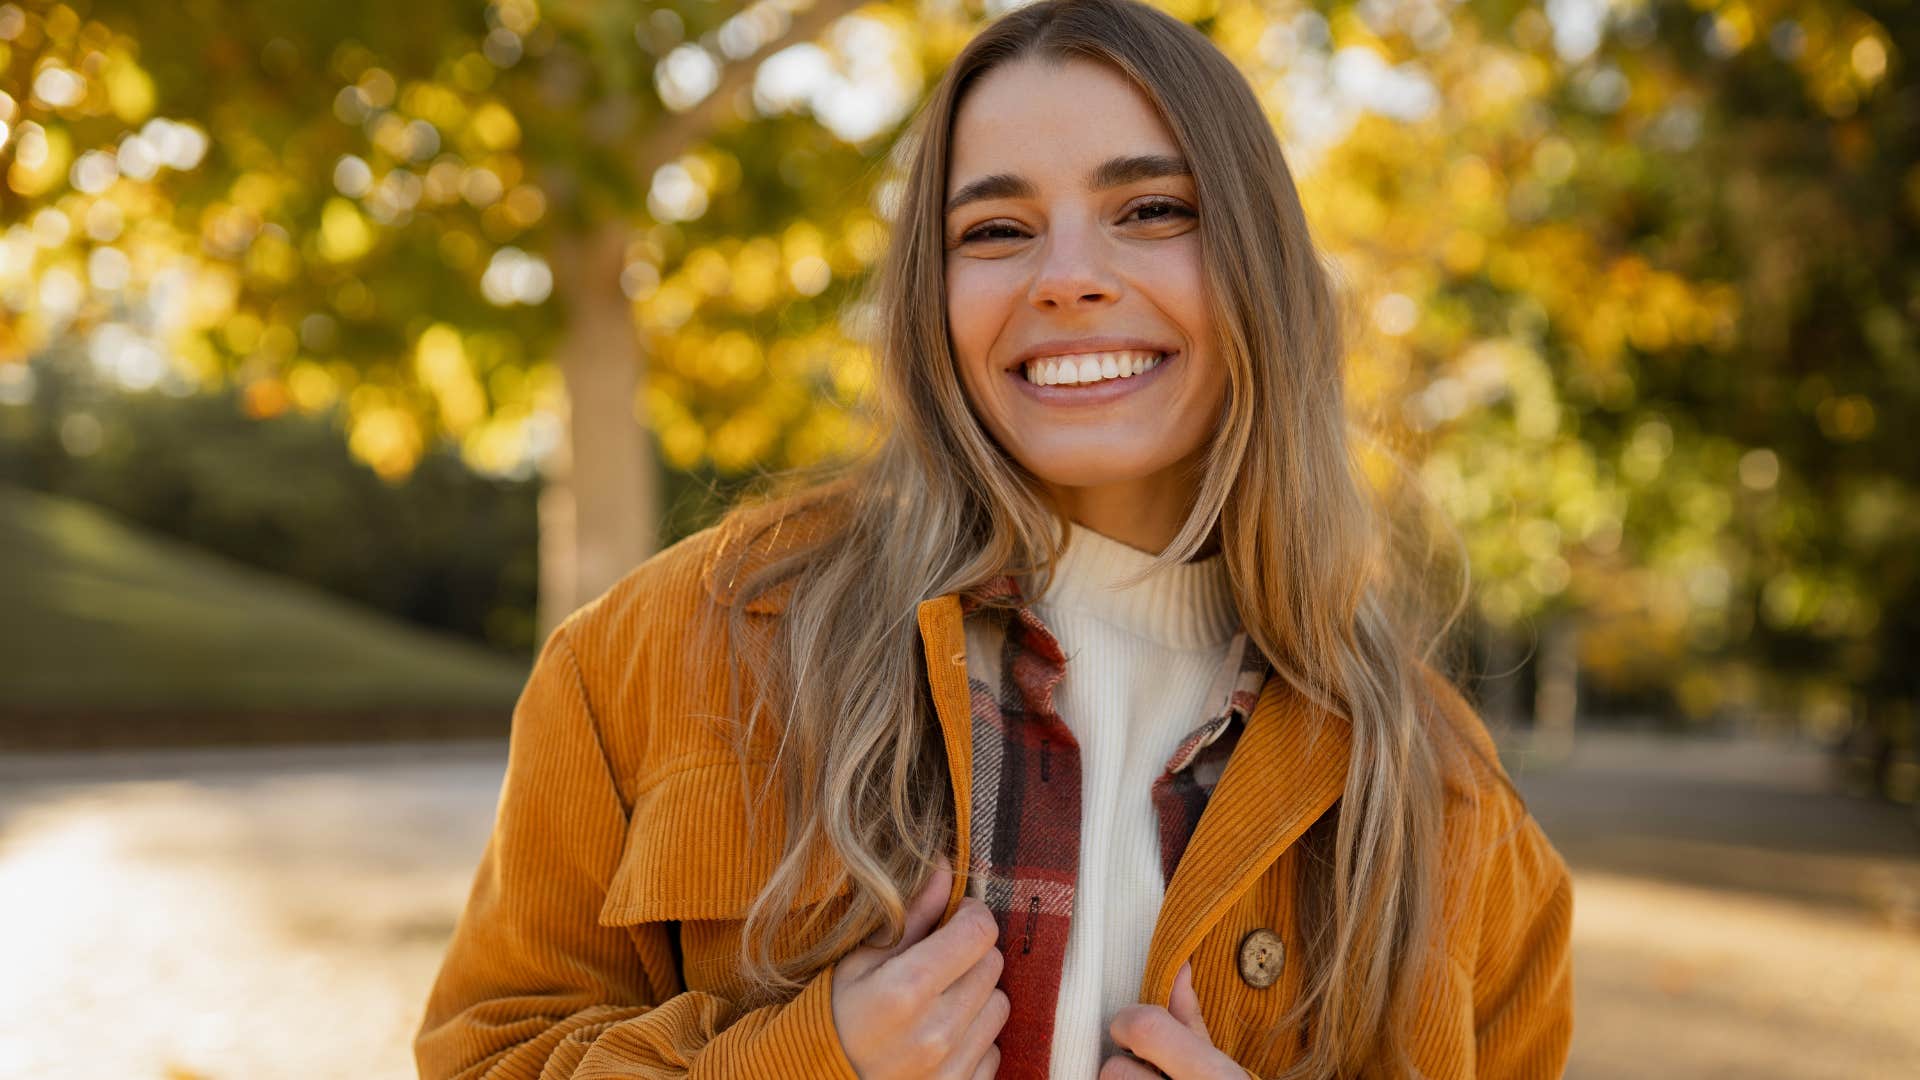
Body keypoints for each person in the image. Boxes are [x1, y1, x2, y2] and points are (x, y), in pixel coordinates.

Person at [413, 0, 1574, 1077]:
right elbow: (487, 1055)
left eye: (1152, 210)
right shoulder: (659, 651)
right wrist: (811, 1061)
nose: (1067, 279)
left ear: (1263, 266)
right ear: (932, 297)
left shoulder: (1448, 797)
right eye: (997, 228)